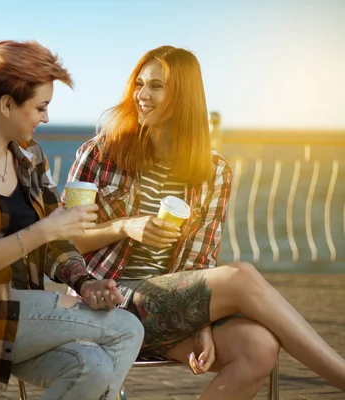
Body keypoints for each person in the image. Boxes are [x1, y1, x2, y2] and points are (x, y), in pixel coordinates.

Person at [65, 45, 345, 398]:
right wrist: (125, 226)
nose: (142, 96)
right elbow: (63, 243)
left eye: (156, 86)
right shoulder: (100, 153)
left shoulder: (213, 172)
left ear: (183, 96)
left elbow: (201, 264)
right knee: (241, 276)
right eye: (140, 84)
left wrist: (203, 325)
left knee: (258, 347)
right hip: (106, 302)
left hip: (167, 313)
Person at [0, 40, 144, 400]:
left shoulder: (30, 157)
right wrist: (39, 232)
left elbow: (56, 238)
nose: (46, 118)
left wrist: (84, 283)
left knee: (94, 368)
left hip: (21, 318)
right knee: (127, 328)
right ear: (7, 104)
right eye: (41, 107)